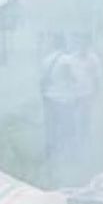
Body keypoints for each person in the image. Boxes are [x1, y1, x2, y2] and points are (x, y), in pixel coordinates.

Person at [39, 32, 72, 160]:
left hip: (49, 98)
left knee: (51, 128)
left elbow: (42, 81)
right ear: (64, 43)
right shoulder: (67, 60)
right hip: (63, 99)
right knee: (65, 127)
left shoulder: (47, 59)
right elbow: (70, 78)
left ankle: (50, 152)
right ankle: (63, 154)